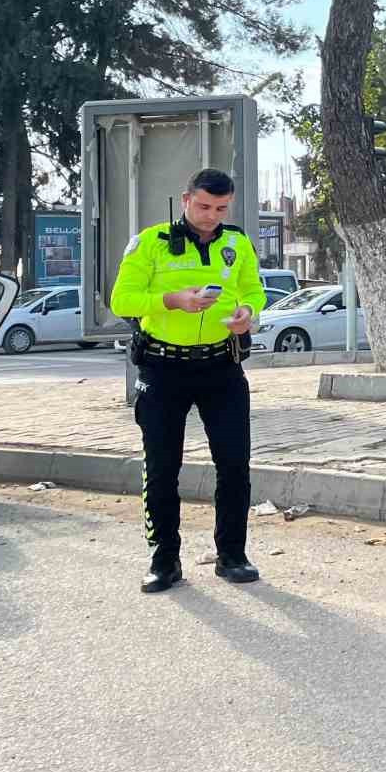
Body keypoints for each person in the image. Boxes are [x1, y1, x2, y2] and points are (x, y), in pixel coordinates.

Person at [110, 168, 267, 593]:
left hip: (222, 367)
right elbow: (121, 299)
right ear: (185, 200)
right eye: (203, 206)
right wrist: (173, 301)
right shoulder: (151, 243)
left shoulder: (237, 243)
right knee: (162, 467)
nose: (211, 215)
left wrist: (247, 316)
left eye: (220, 208)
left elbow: (255, 291)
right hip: (163, 369)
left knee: (234, 465)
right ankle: (164, 560)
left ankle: (232, 554)